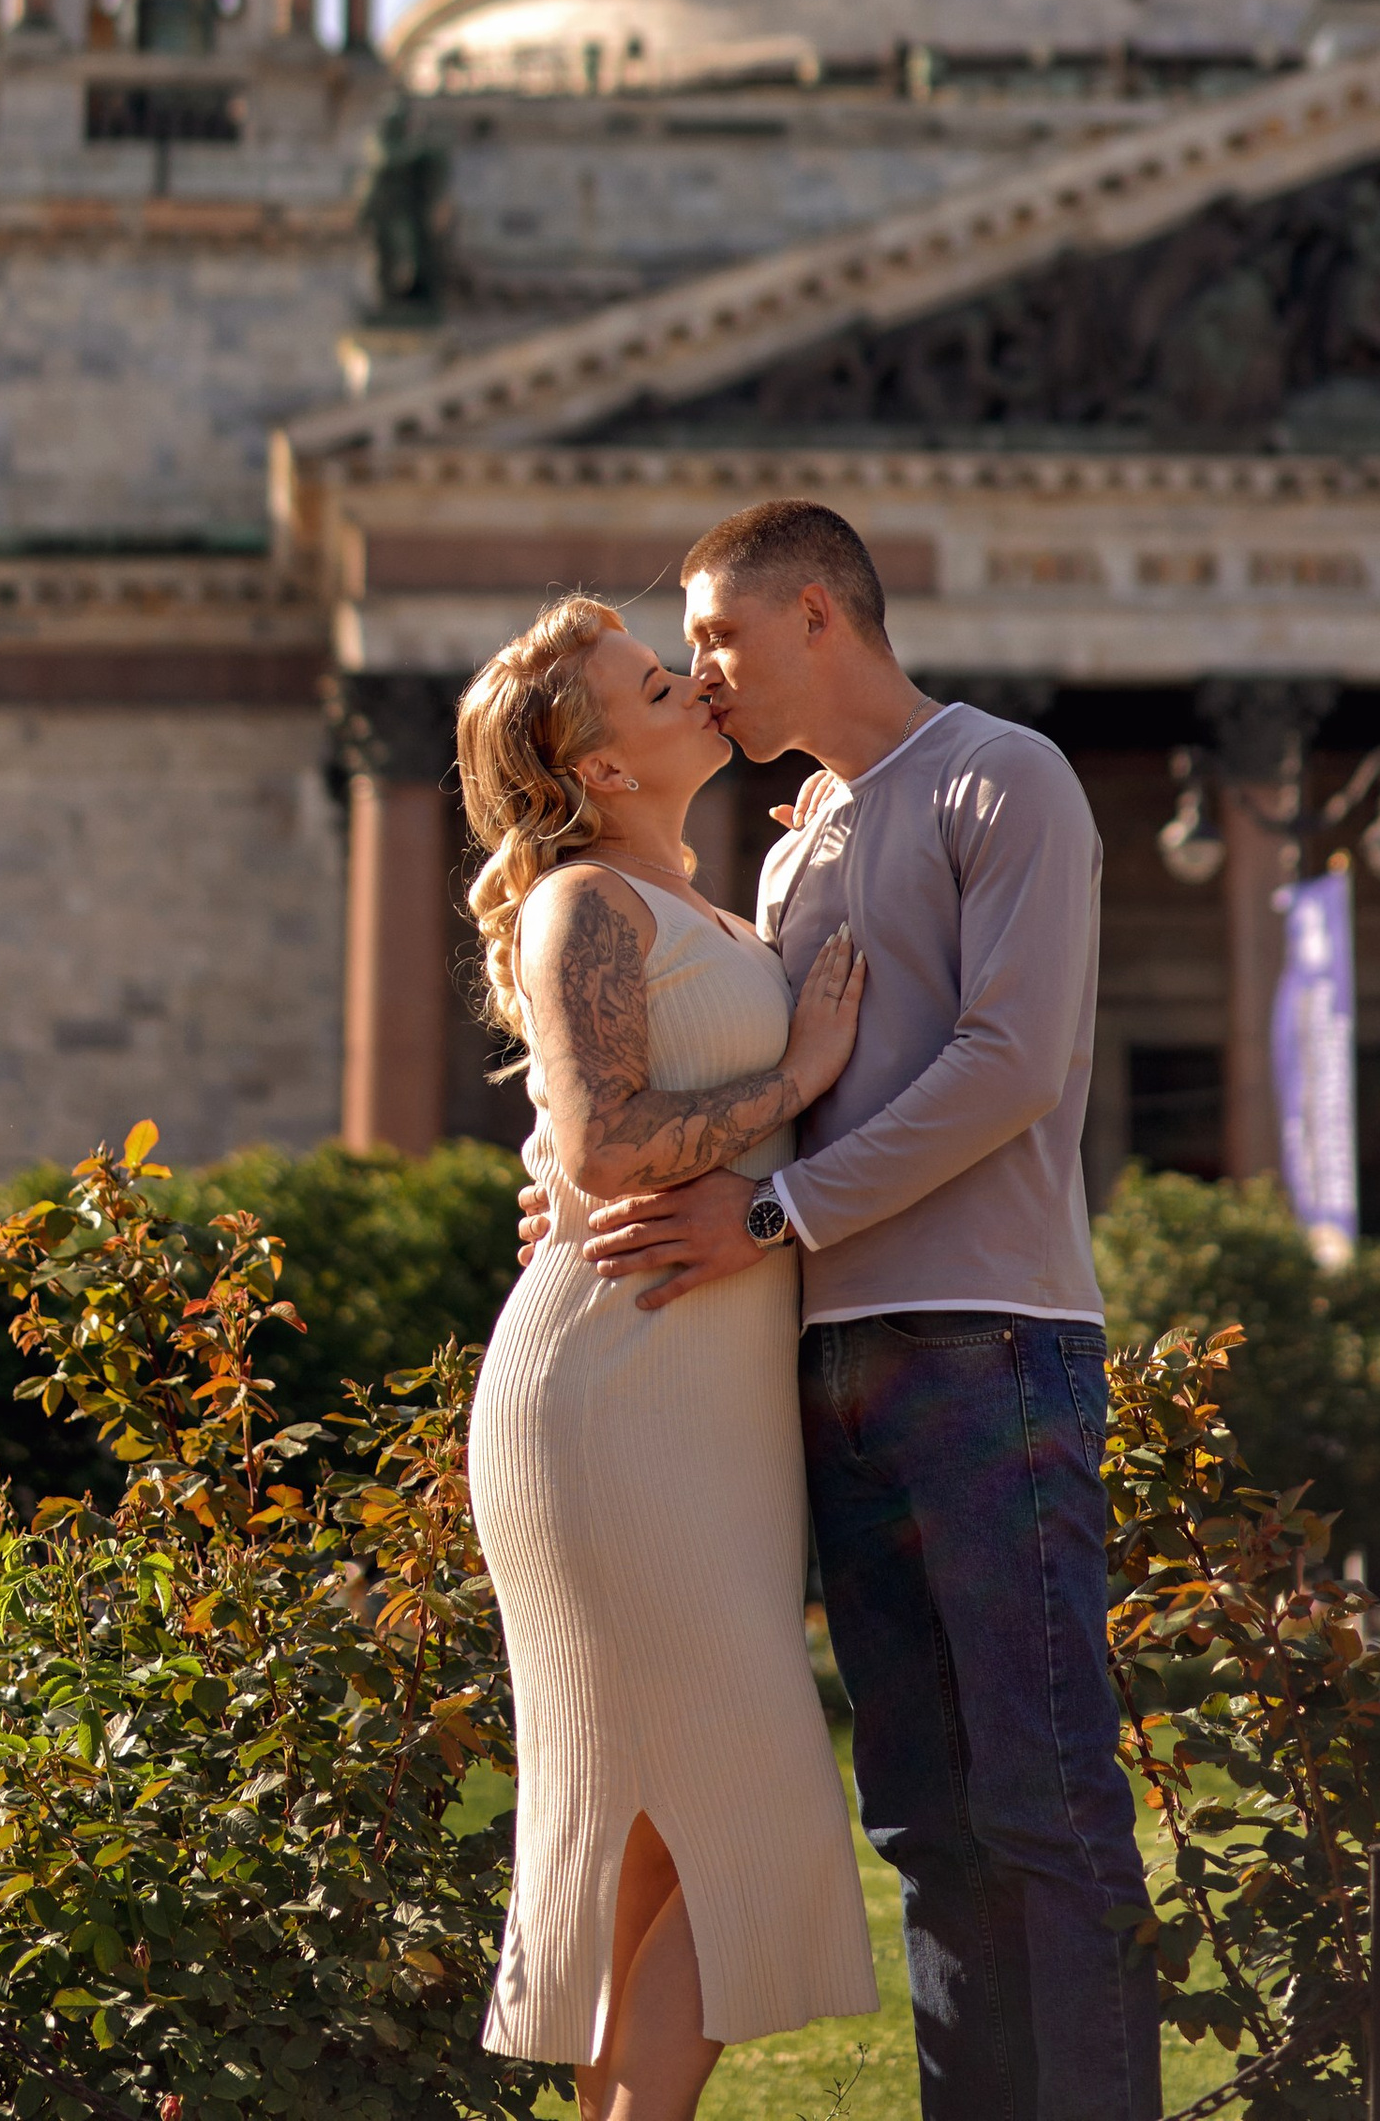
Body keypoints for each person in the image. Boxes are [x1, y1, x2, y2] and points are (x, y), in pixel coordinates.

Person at [562, 498, 1161, 2121]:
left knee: (1045, 1807)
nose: (702, 675)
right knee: (925, 1828)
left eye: (721, 639)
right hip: (825, 1372)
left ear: (820, 614)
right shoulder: (793, 838)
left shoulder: (1003, 776)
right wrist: (591, 1166)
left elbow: (1010, 1066)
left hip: (990, 1350)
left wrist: (776, 1210)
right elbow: (770, 1092)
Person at [460, 592, 879, 2121]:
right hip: (615, 1390)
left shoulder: (698, 900)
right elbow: (605, 1144)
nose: (692, 683)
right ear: (598, 764)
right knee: (746, 1791)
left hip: (706, 1406)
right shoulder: (585, 903)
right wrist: (801, 1071)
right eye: (651, 684)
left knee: (648, 1830)